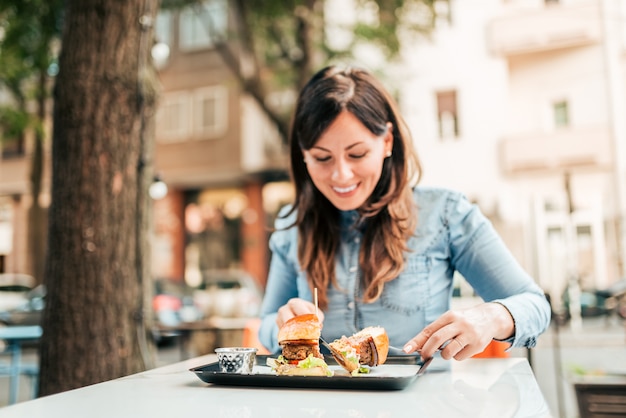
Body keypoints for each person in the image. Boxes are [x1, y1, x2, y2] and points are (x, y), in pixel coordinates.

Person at [258, 65, 551, 361]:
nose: (341, 175)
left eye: (357, 154)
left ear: (387, 141)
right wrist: (281, 324)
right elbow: (267, 322)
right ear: (303, 155)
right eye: (322, 158)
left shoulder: (446, 215)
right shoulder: (291, 227)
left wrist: (492, 317)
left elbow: (535, 305)